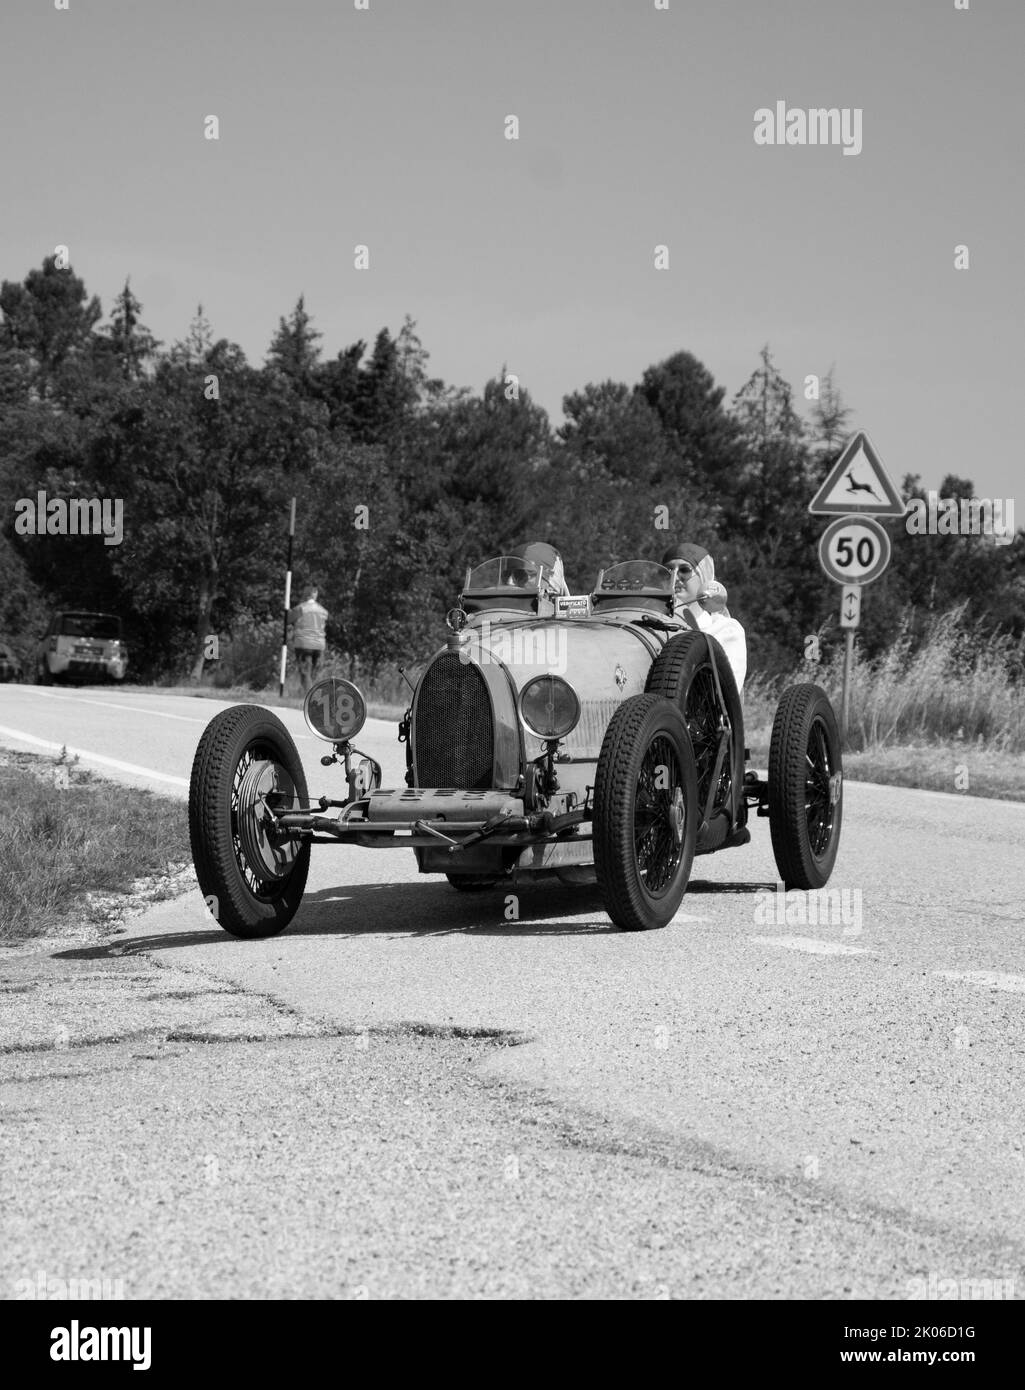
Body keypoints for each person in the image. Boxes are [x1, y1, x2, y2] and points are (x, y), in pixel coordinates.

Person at [660, 542, 747, 693]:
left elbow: (725, 694)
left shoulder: (726, 630)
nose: (675, 577)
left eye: (684, 570)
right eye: (668, 571)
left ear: (704, 578)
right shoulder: (652, 626)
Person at [289, 584, 329, 693]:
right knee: (313, 672)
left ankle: (308, 695)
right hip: (319, 644)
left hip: (303, 642)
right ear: (315, 595)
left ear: (305, 595)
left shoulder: (301, 608)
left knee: (305, 670)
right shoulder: (323, 611)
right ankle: (310, 692)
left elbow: (288, 620)